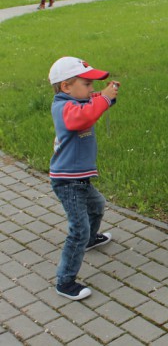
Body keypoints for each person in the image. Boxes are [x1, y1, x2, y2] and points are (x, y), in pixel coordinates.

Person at [48, 56, 119, 300]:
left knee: (97, 206)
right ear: (66, 86)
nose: (91, 90)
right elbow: (84, 117)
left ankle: (90, 240)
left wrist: (105, 96)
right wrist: (105, 99)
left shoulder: (76, 101)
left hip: (79, 178)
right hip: (67, 182)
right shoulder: (64, 108)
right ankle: (65, 281)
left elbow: (93, 102)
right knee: (77, 229)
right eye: (87, 84)